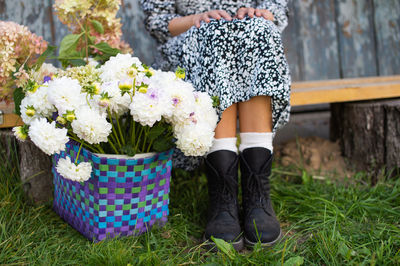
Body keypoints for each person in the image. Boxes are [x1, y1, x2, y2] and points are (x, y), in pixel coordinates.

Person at [141, 0, 291, 250]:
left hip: (250, 42)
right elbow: (157, 21)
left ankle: (258, 196)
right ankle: (223, 199)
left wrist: (263, 14)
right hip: (189, 47)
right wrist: (196, 19)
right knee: (213, 33)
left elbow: (276, 7)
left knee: (259, 29)